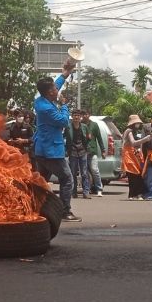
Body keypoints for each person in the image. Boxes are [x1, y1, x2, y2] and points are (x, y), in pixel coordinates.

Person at [34, 64, 81, 222]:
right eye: (55, 89)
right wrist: (64, 105)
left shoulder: (41, 100)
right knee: (67, 179)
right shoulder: (47, 108)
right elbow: (62, 122)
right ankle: (65, 211)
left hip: (42, 149)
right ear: (49, 93)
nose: (57, 90)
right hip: (51, 151)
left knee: (40, 182)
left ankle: (34, 208)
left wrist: (65, 74)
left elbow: (56, 84)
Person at [121, 115, 152, 200]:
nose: (138, 124)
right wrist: (145, 139)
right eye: (136, 123)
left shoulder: (135, 131)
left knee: (137, 174)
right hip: (129, 155)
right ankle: (133, 194)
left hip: (135, 154)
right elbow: (133, 143)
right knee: (133, 175)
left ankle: (136, 194)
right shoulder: (129, 131)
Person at [65, 110, 91, 199]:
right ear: (72, 116)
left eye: (78, 116)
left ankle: (86, 192)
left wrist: (87, 148)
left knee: (84, 173)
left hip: (82, 151)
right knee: (73, 173)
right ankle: (74, 192)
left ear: (80, 117)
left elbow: (88, 138)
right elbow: (64, 138)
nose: (76, 117)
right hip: (72, 152)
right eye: (75, 115)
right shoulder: (68, 127)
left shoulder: (84, 127)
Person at [81, 110, 106, 197]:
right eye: (83, 114)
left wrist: (103, 150)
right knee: (85, 172)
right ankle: (88, 189)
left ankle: (99, 189)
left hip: (92, 151)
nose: (85, 116)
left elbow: (99, 138)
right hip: (82, 151)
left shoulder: (94, 125)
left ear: (89, 115)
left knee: (95, 170)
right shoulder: (80, 124)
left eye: (86, 114)